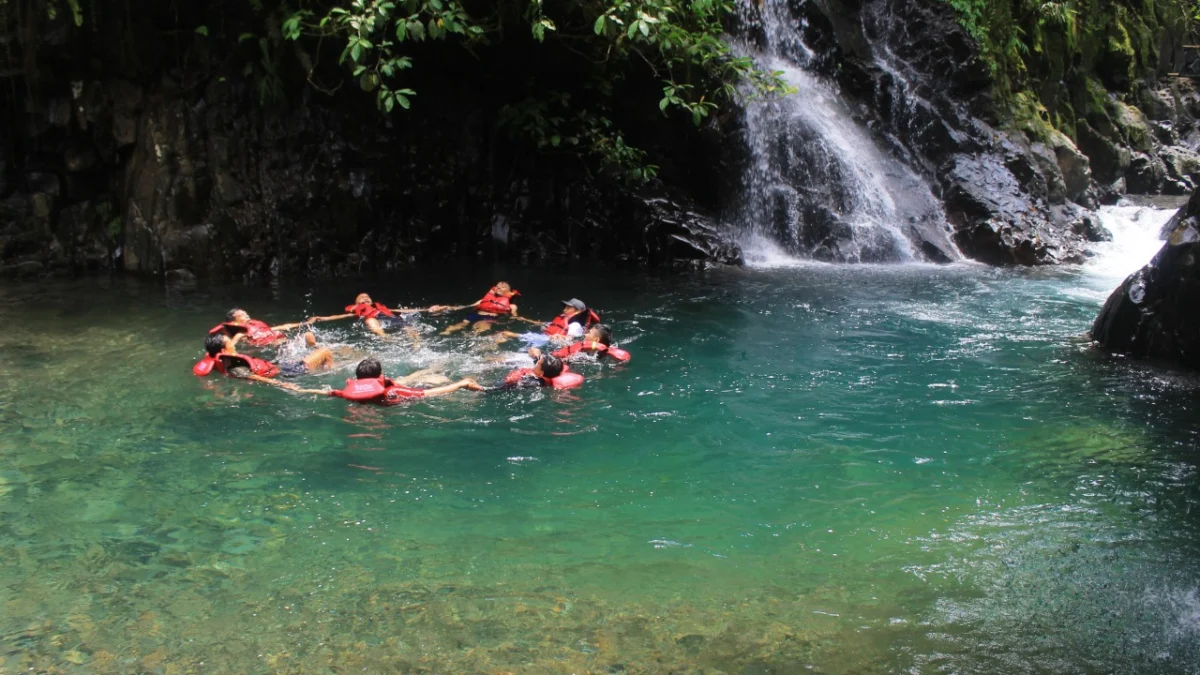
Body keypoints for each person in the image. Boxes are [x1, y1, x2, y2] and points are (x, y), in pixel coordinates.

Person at [194, 333, 335, 389]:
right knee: (325, 351)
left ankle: (322, 364)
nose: (233, 342)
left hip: (279, 367)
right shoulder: (236, 367)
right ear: (224, 350)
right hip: (286, 373)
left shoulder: (220, 358)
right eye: (230, 342)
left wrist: (236, 337)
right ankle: (330, 371)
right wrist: (284, 384)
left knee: (300, 340)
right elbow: (255, 377)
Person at [329, 357, 484, 405]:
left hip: (400, 387)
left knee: (411, 377)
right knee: (440, 379)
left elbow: (325, 392)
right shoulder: (393, 391)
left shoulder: (350, 392)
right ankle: (432, 369)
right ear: (380, 376)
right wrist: (459, 384)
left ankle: (430, 368)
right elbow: (429, 393)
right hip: (408, 389)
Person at [306, 293, 423, 340]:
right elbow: (338, 316)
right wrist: (318, 318)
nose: (365, 298)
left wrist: (428, 309)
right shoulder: (358, 311)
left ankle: (417, 343)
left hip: (392, 319)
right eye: (362, 298)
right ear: (357, 304)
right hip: (376, 321)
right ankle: (385, 337)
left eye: (367, 297)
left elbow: (402, 310)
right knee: (370, 320)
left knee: (407, 325)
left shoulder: (379, 307)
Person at [439, 282, 521, 335]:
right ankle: (448, 331)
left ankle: (472, 335)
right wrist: (448, 307)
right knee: (463, 323)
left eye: (503, 287)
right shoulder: (482, 300)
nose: (498, 287)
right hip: (476, 314)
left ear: (509, 291)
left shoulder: (512, 306)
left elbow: (514, 317)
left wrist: (513, 319)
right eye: (497, 286)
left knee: (482, 325)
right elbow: (466, 307)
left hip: (490, 318)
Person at [209, 308, 314, 348]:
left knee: (308, 335)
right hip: (276, 347)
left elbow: (283, 327)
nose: (246, 315)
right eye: (241, 315)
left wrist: (304, 323)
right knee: (307, 337)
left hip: (284, 342)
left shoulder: (256, 325)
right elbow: (231, 346)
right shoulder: (241, 333)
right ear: (234, 321)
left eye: (245, 313)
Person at [529, 324, 630, 363]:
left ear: (596, 340)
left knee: (534, 351)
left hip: (548, 362)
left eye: (589, 333)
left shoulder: (601, 353)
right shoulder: (584, 348)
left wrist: (538, 357)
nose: (585, 334)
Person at [501, 354, 584, 389]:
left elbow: (503, 388)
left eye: (538, 364)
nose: (536, 363)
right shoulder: (553, 367)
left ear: (541, 373)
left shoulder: (531, 382)